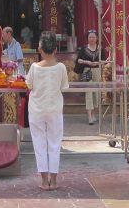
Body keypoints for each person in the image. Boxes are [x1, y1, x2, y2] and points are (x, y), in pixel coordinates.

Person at [26, 32, 68, 191]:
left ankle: (44, 181)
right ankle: (54, 180)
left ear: (40, 49)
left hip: (37, 110)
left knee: (39, 144)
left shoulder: (34, 67)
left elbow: (29, 85)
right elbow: (64, 87)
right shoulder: (61, 67)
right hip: (55, 109)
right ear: (56, 49)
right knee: (55, 144)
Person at [75, 30, 107, 125]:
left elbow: (104, 61)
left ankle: (93, 114)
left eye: (93, 37)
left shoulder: (101, 49)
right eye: (90, 37)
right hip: (87, 71)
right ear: (87, 38)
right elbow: (78, 60)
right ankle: (89, 116)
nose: (92, 39)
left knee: (96, 93)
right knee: (88, 92)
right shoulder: (83, 49)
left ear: (97, 38)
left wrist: (98, 63)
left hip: (97, 71)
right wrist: (87, 62)